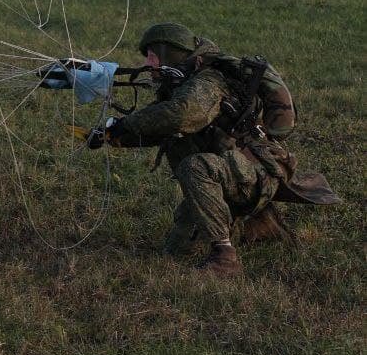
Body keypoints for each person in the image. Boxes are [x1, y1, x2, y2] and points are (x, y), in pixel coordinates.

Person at [88, 22, 338, 279]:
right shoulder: (183, 86)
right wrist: (110, 136)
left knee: (196, 167)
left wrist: (126, 123)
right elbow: (161, 128)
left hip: (254, 173)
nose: (148, 64)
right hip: (233, 172)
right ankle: (255, 223)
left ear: (170, 54)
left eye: (152, 56)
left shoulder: (207, 82)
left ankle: (224, 257)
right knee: (178, 249)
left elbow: (180, 115)